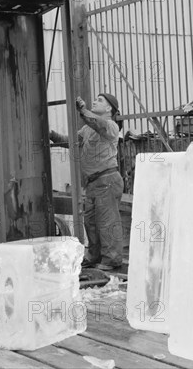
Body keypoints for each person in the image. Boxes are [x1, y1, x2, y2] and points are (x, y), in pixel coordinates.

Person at [50, 93, 124, 271]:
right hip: (93, 182)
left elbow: (98, 123)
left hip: (107, 180)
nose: (95, 101)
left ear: (109, 109)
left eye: (100, 100)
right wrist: (51, 135)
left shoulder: (111, 126)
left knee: (107, 221)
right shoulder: (87, 129)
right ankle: (94, 256)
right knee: (90, 221)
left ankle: (112, 259)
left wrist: (83, 110)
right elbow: (72, 142)